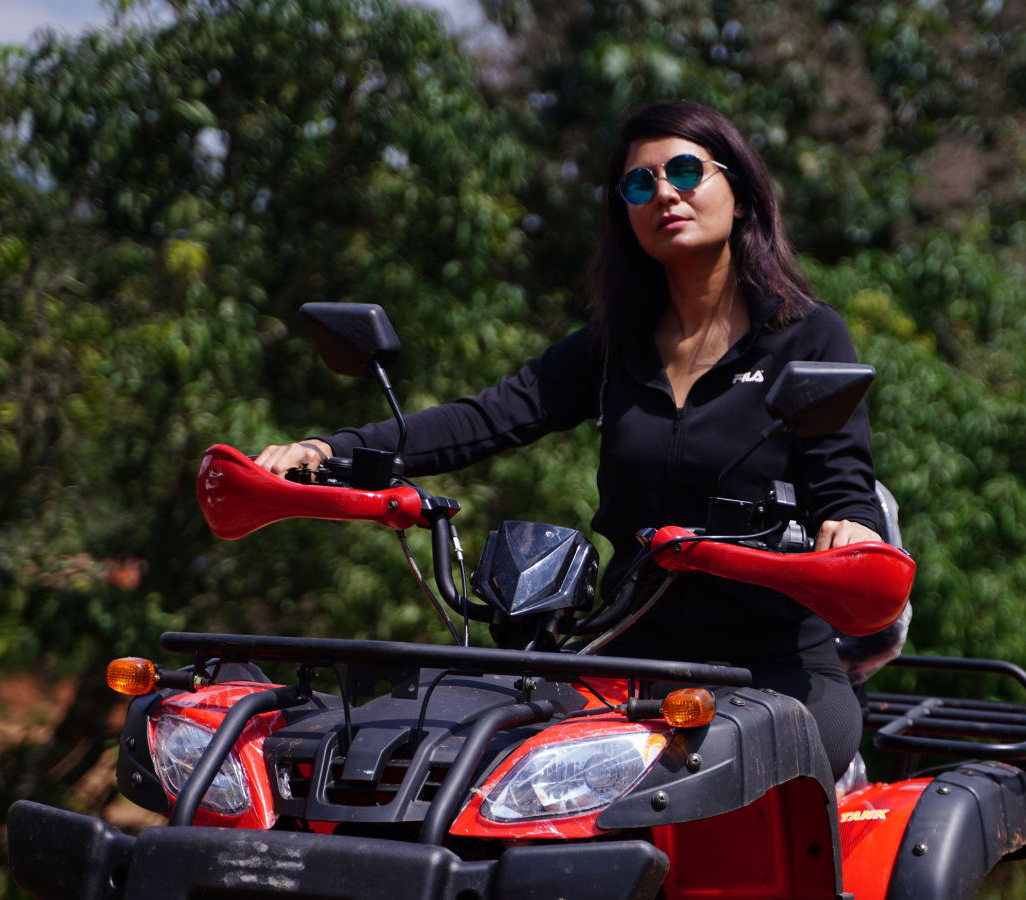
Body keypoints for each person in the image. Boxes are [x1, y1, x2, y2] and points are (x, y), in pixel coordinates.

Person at [257, 100, 883, 780]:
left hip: (776, 674)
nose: (664, 192)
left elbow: (844, 482)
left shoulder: (806, 335)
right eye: (639, 184)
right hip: (626, 666)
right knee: (464, 758)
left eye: (685, 170)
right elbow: (488, 416)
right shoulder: (614, 348)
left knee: (692, 777)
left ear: (741, 191)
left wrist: (852, 529)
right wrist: (331, 451)